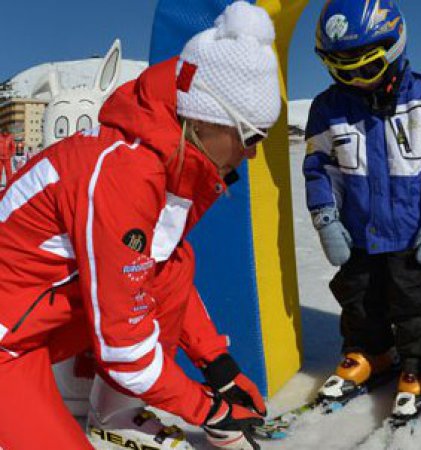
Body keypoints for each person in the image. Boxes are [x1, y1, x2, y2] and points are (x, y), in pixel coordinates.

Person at [0, 3, 279, 449]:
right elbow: (124, 346)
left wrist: (219, 369)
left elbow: (162, 275)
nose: (251, 155)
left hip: (35, 320)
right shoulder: (126, 174)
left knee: (173, 262)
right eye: (251, 137)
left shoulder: (164, 159)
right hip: (7, 343)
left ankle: (115, 414)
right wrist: (209, 410)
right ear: (208, 117)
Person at [304, 0, 421, 419]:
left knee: (414, 302)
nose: (356, 82)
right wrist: (326, 218)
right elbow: (319, 168)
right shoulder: (328, 108)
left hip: (411, 232)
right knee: (358, 299)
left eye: (365, 68)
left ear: (393, 48)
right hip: (357, 230)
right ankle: (370, 352)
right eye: (342, 72)